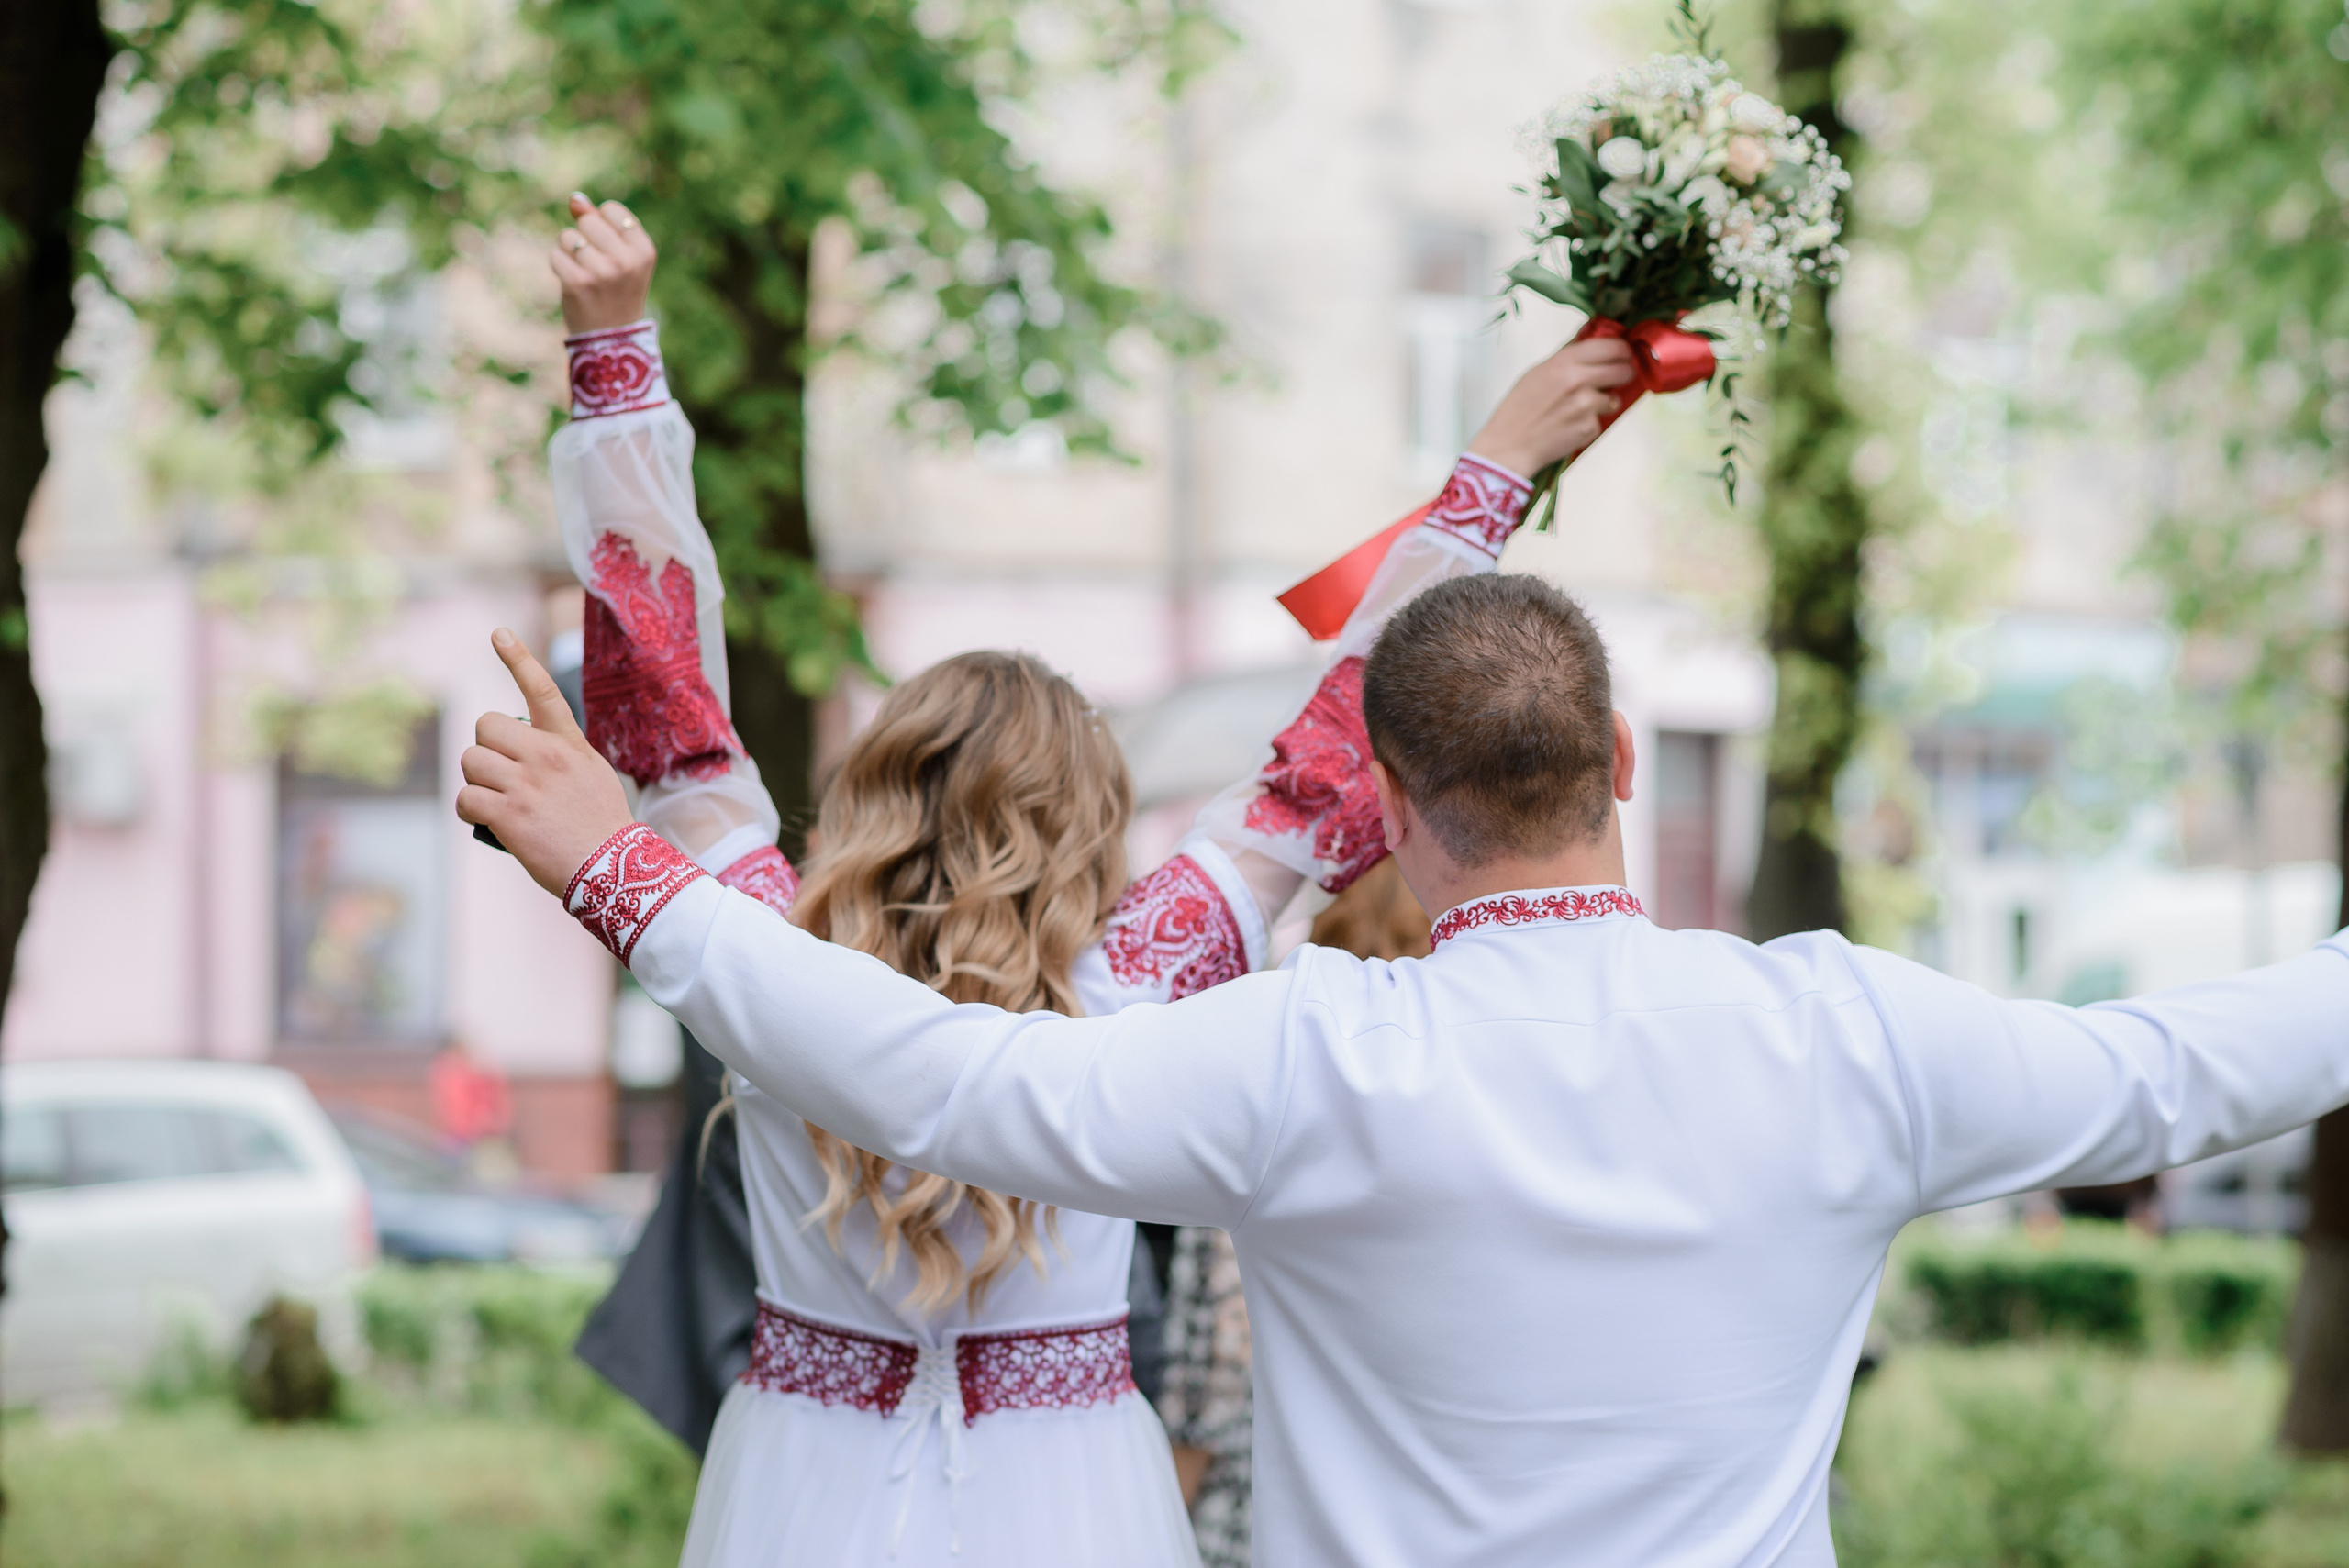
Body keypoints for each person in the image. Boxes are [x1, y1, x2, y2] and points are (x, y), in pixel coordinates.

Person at [518, 193, 1633, 1564]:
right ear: (1092, 828)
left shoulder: (764, 955)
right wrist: (1498, 461)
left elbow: (670, 717)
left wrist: (612, 348)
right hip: (1078, 1502)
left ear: (869, 795)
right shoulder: (1145, 978)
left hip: (801, 1492)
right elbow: (1340, 741)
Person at [1157, 858, 1430, 1568]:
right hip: (1418, 1503)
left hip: (1264, 1500)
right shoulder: (1459, 1125)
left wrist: (1165, 1508)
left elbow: (1212, 1354)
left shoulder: (1267, 1103)